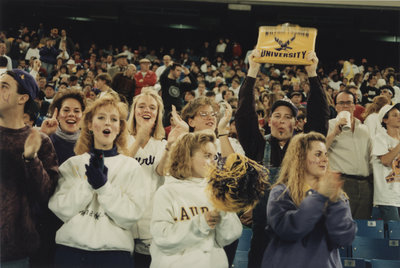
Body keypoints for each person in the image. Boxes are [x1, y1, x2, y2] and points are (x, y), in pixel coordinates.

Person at [235, 49, 329, 268]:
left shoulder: (305, 147)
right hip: (263, 233)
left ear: (296, 124)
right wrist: (253, 72)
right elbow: (243, 115)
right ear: (269, 121)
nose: (281, 121)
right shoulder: (257, 145)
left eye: (288, 117)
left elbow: (319, 116)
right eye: (276, 116)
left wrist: (312, 73)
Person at [49, 95, 149, 268]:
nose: (107, 123)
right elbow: (61, 209)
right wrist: (87, 185)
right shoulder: (73, 164)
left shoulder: (132, 167)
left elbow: (131, 216)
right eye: (101, 117)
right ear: (89, 124)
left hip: (114, 254)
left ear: (120, 127)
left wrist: (103, 188)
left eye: (114, 119)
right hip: (71, 252)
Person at [261, 132, 356, 268]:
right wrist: (320, 198)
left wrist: (334, 204)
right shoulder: (281, 193)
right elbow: (290, 229)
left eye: (326, 154)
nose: (324, 160)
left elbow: (343, 238)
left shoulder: (337, 196)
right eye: (318, 154)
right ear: (300, 158)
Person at [150, 130, 242, 268]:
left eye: (214, 156)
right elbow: (162, 237)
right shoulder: (167, 192)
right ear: (187, 157)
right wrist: (201, 223)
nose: (213, 161)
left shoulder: (216, 191)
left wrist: (223, 216)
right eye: (207, 156)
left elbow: (229, 237)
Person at [0, 69, 59, 267]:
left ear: (22, 98)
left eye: (4, 86)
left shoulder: (40, 141)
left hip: (15, 250)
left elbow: (45, 194)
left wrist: (30, 158)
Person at [126, 88, 167, 268]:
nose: (146, 110)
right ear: (133, 111)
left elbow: (161, 172)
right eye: (141, 106)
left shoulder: (162, 144)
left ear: (158, 114)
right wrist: (138, 139)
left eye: (152, 107)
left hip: (148, 220)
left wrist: (171, 146)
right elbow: (119, 167)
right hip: (123, 218)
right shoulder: (121, 138)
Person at [326, 89, 372, 219]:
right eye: (341, 103)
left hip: (364, 185)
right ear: (335, 106)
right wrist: (334, 133)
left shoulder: (364, 128)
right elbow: (321, 150)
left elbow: (369, 156)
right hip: (341, 183)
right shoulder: (328, 125)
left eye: (348, 103)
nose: (345, 106)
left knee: (362, 227)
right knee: (339, 225)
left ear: (354, 106)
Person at [371, 104, 400, 222]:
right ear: (385, 120)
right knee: (395, 234)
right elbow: (386, 161)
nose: (399, 117)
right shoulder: (380, 138)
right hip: (387, 197)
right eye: (394, 115)